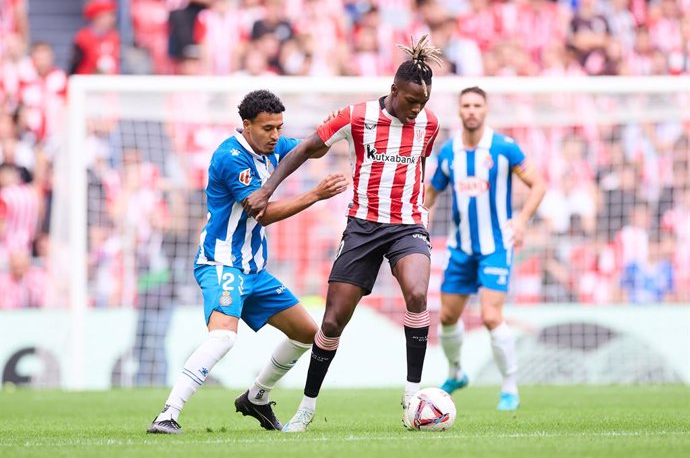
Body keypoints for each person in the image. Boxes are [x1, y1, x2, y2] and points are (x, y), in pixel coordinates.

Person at [243, 34, 443, 432]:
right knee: (332, 322)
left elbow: (418, 167)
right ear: (393, 91)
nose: (416, 110)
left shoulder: (429, 124)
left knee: (418, 294)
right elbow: (304, 149)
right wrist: (268, 189)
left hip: (407, 225)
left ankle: (412, 395)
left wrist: (417, 209)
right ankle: (307, 407)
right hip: (363, 227)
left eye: (423, 103)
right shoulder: (356, 117)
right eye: (410, 102)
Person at [146, 90, 347, 434]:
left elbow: (309, 149)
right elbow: (263, 213)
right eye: (268, 128)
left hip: (254, 269)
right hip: (221, 263)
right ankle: (168, 413)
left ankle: (256, 396)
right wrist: (315, 194)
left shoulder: (272, 145)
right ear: (247, 125)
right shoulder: (231, 158)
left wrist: (338, 127)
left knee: (307, 334)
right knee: (223, 338)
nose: (275, 136)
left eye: (279, 128)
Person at [425, 86, 546, 411]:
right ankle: (457, 371)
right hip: (461, 248)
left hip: (496, 246)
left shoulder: (504, 148)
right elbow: (431, 193)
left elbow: (538, 184)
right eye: (466, 105)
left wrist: (520, 221)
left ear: (486, 109)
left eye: (477, 105)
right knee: (448, 317)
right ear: (459, 110)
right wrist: (420, 223)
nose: (472, 110)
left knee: (491, 316)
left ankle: (510, 386)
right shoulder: (449, 152)